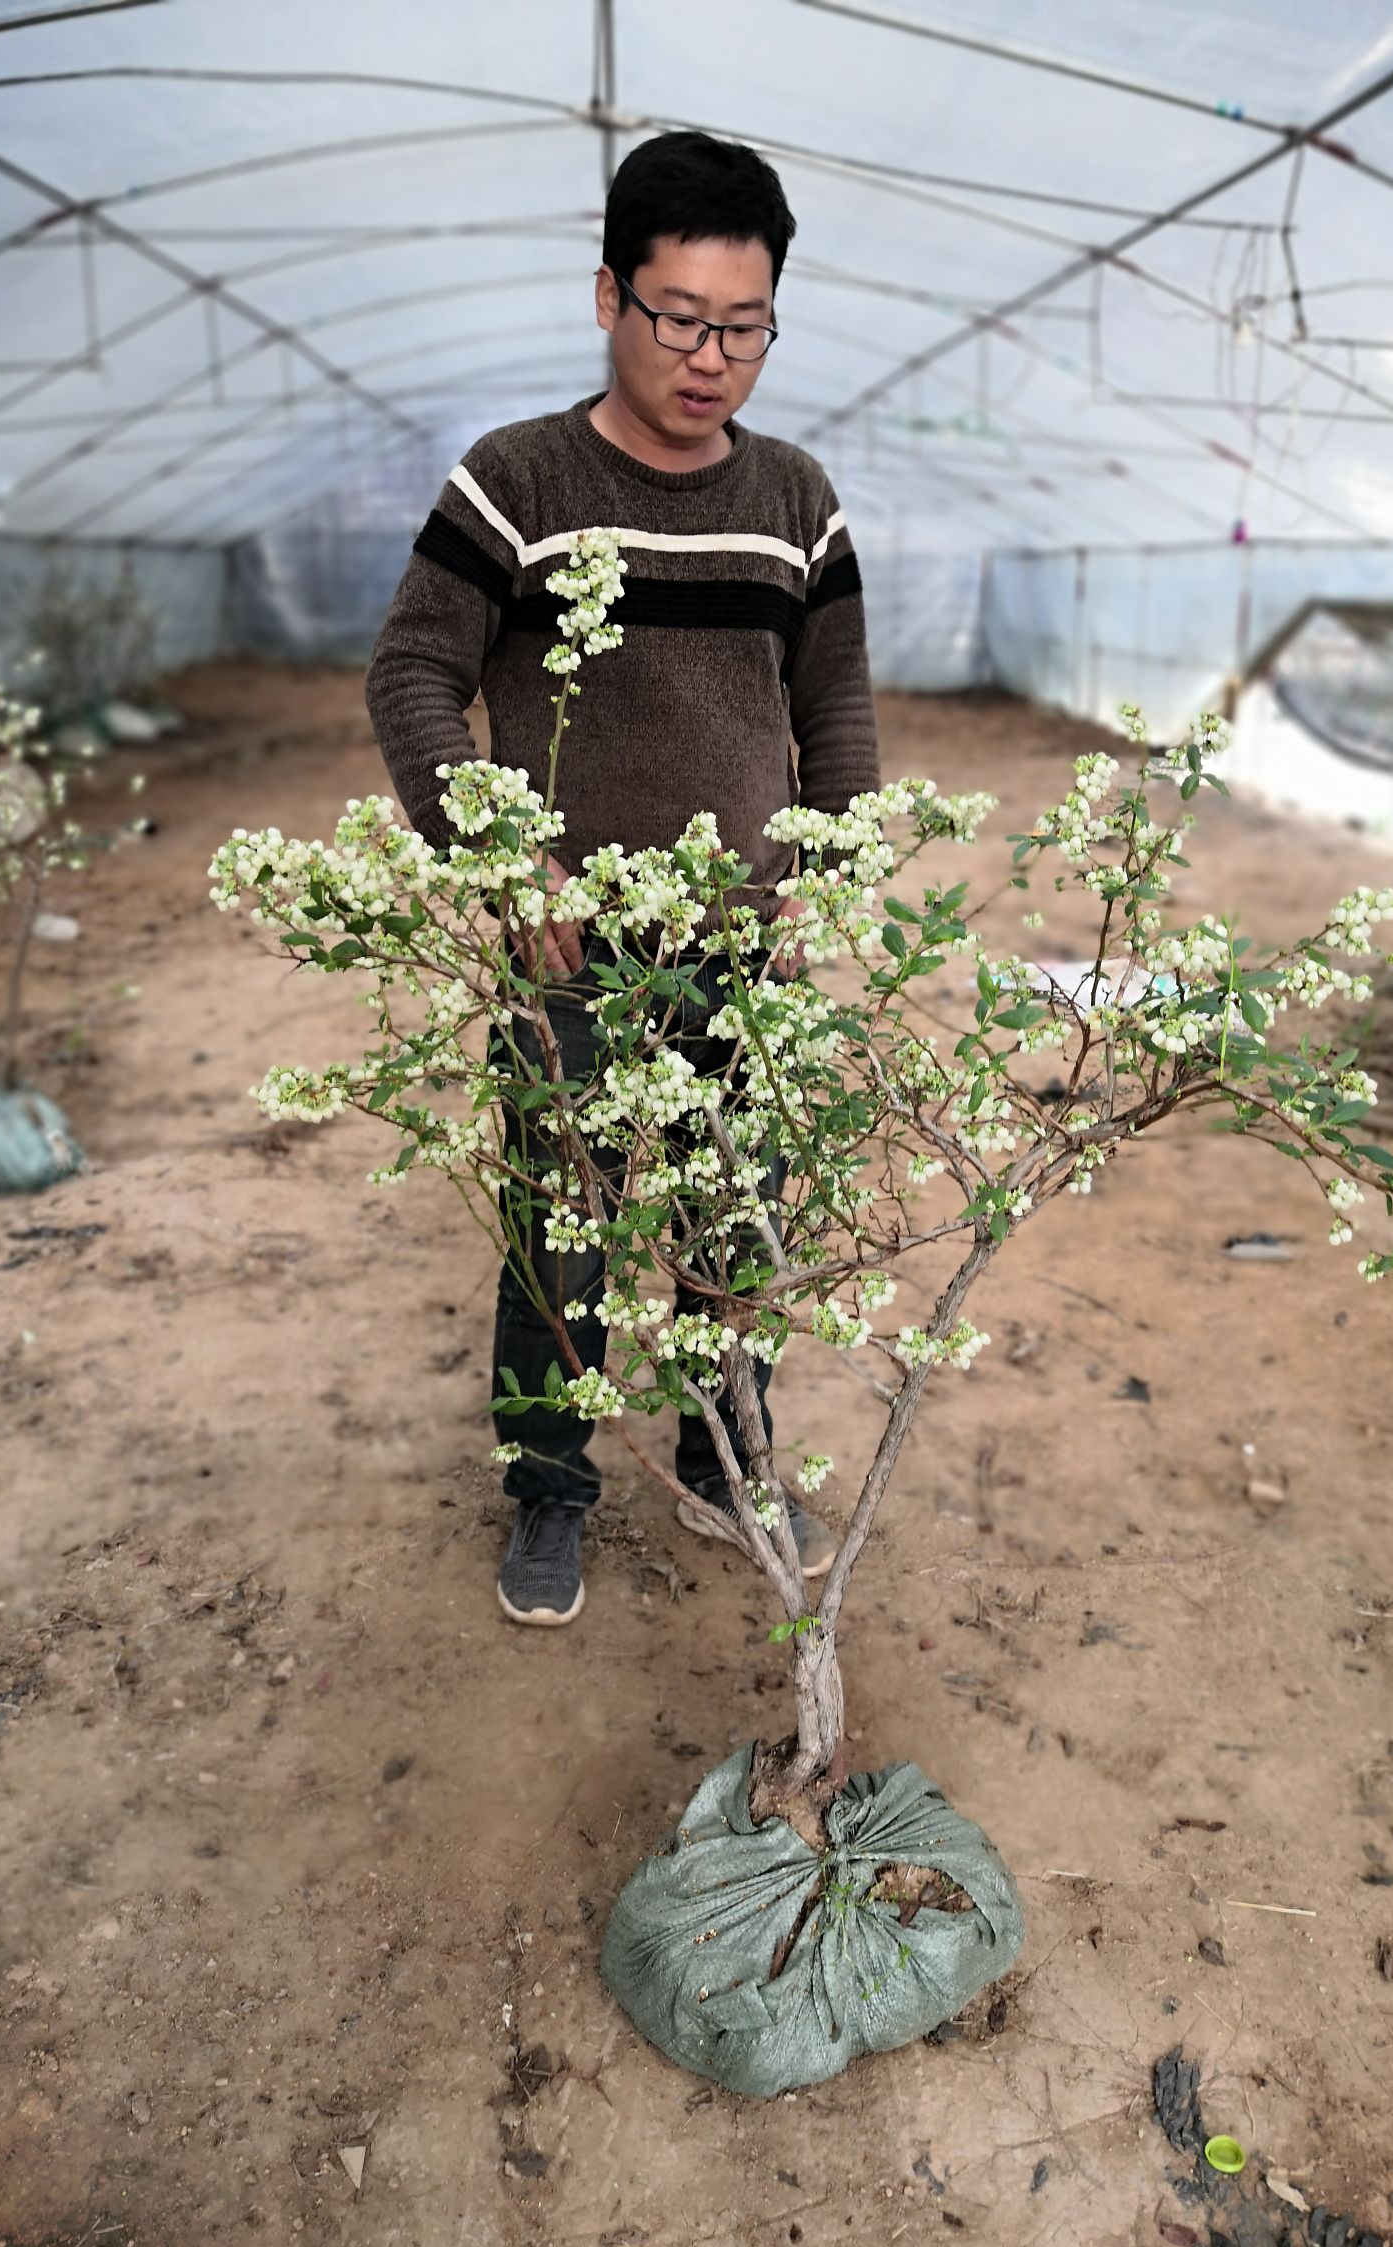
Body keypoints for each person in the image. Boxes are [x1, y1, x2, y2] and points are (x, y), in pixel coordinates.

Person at [365, 129, 880, 1627]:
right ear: (608, 297)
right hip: (569, 951)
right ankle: (549, 1486)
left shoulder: (798, 500)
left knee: (740, 1210)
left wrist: (827, 890)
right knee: (560, 1223)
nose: (711, 358)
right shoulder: (517, 480)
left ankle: (725, 1460)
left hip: (745, 936)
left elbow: (832, 711)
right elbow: (413, 671)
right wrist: (500, 859)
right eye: (678, 318)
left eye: (745, 325)